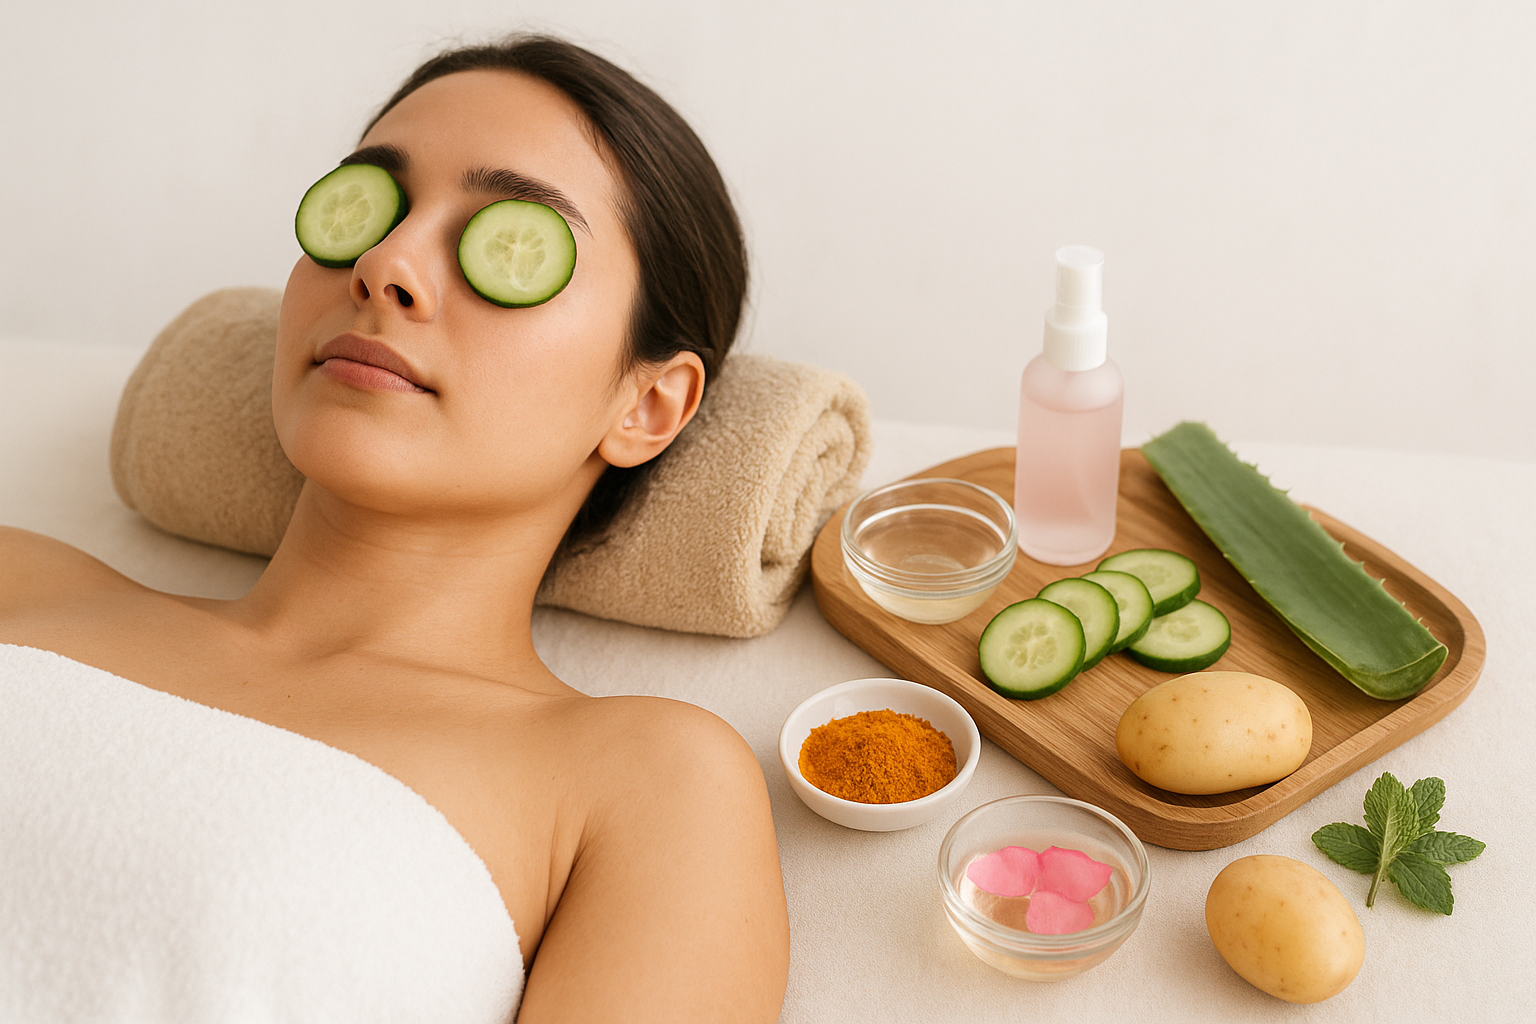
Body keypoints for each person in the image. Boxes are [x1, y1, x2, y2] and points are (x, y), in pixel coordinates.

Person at [0, 35, 790, 1022]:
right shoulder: (15, 580)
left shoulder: (643, 780)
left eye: (508, 238)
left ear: (649, 406)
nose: (385, 263)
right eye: (372, 205)